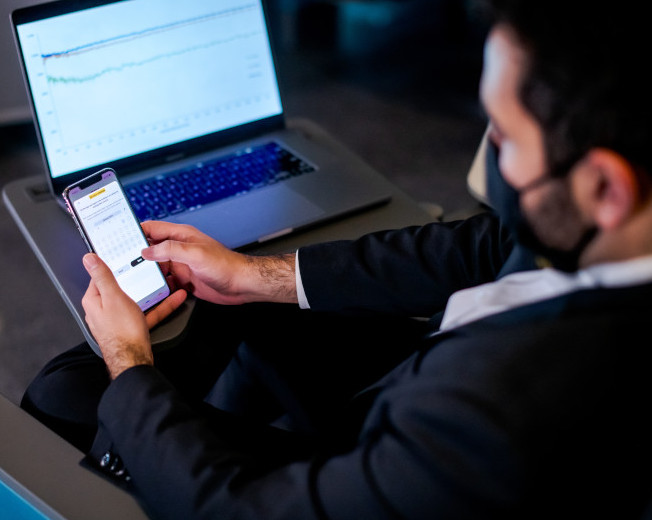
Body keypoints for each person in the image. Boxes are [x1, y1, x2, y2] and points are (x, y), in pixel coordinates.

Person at [20, 0, 652, 517]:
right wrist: (254, 276)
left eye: (504, 136)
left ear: (605, 189)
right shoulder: (611, 232)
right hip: (420, 366)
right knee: (235, 303)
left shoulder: (492, 413)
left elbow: (246, 511)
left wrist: (130, 365)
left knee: (67, 395)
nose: (484, 157)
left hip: (367, 459)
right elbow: (479, 248)